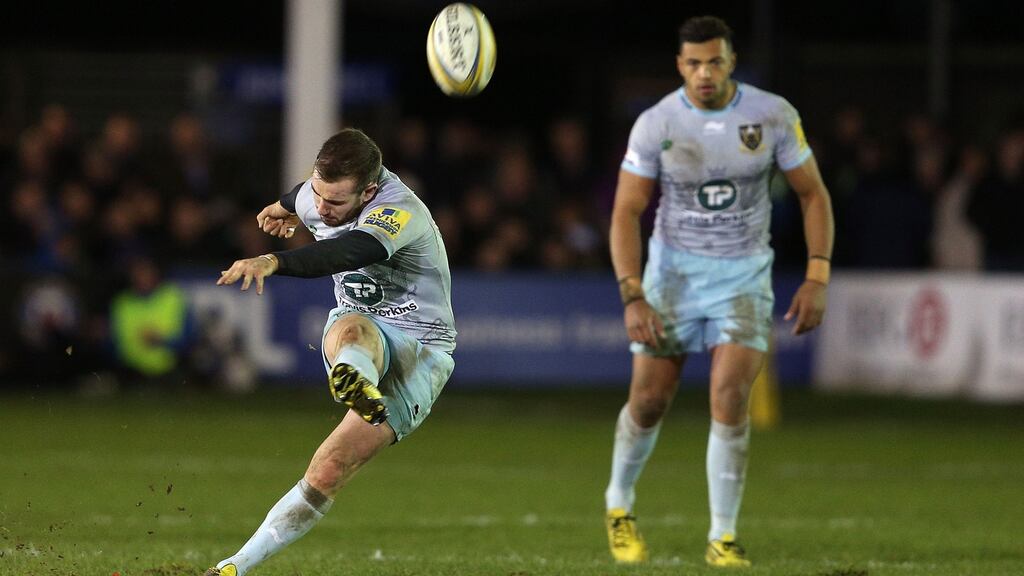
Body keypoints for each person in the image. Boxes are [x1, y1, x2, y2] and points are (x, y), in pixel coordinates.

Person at [603, 16, 833, 568]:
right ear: (679, 66)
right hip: (673, 278)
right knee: (650, 402)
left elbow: (813, 194)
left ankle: (723, 536)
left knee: (730, 397)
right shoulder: (656, 123)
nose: (703, 73)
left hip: (743, 277)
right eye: (692, 63)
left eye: (714, 62)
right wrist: (633, 293)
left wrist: (818, 275)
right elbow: (627, 211)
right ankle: (619, 503)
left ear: (731, 62)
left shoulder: (772, 115)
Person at [204, 128, 457, 576]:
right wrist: (281, 208)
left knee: (330, 472)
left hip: (422, 347)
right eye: (318, 195)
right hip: (357, 326)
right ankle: (233, 569)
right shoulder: (319, 194)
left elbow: (348, 252)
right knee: (356, 328)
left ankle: (357, 378)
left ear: (370, 191)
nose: (322, 209)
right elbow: (301, 195)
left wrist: (274, 260)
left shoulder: (401, 211)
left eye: (336, 203)